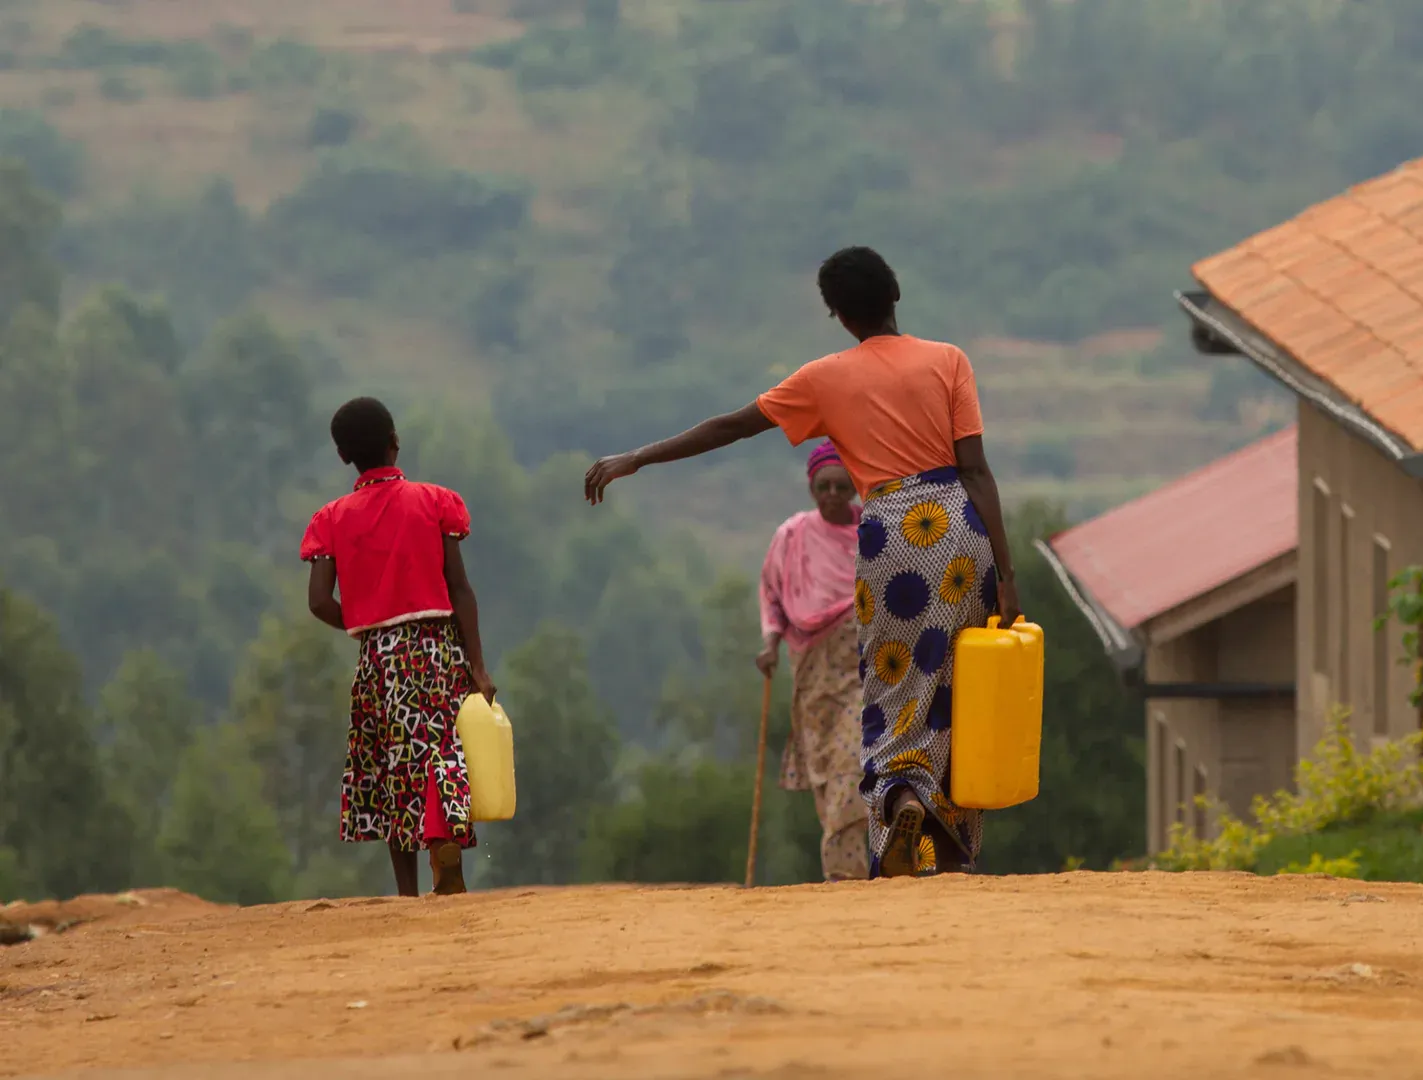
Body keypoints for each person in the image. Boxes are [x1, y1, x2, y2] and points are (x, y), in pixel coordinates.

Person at [584, 246, 1021, 878]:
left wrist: (637, 458)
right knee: (955, 686)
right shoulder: (949, 361)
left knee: (892, 684)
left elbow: (728, 427)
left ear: (839, 316)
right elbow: (977, 470)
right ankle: (950, 852)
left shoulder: (822, 378)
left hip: (892, 533)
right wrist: (1005, 576)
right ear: (895, 295)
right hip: (957, 525)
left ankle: (899, 796)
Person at [302, 397, 497, 898]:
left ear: (344, 456)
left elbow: (320, 601)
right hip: (437, 648)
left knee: (393, 763)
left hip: (379, 659)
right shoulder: (435, 502)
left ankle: (406, 890)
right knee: (440, 754)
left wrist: (368, 621)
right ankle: (444, 851)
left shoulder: (331, 519)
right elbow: (461, 588)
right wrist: (476, 664)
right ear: (396, 441)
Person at [758, 441, 868, 882]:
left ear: (855, 487)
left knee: (852, 765)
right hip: (811, 677)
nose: (833, 495)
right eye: (823, 486)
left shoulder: (872, 532)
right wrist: (769, 645)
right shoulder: (792, 536)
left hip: (865, 674)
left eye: (843, 486)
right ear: (811, 488)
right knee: (826, 776)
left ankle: (847, 878)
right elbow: (771, 596)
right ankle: (854, 877)